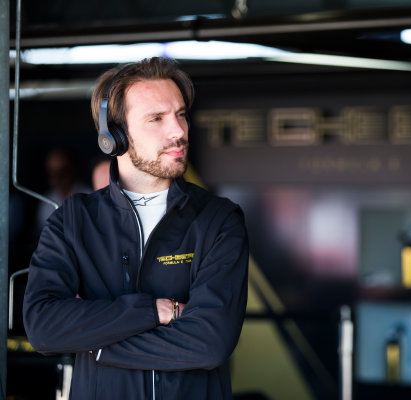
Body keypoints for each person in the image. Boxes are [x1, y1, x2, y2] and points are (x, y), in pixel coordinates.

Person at [23, 57, 249, 400]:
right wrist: (155, 311)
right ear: (114, 136)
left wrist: (97, 345)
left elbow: (209, 344)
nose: (178, 131)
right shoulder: (73, 221)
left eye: (181, 114)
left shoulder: (218, 219)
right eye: (156, 119)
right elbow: (44, 328)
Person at [34, 146, 91, 233]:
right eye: (52, 172)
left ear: (73, 169)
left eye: (62, 171)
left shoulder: (89, 197)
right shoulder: (46, 201)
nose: (57, 178)